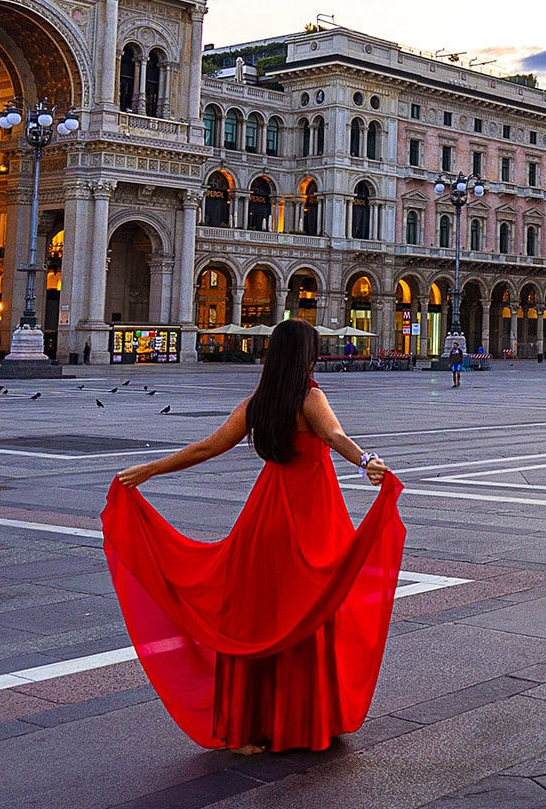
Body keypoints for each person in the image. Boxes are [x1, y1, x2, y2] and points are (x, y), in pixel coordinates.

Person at [101, 318, 405, 755]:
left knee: (257, 616)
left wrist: (151, 468)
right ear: (307, 354)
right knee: (309, 612)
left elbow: (207, 447)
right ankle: (304, 720)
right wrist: (367, 461)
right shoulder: (310, 397)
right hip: (311, 515)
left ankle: (244, 729)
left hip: (265, 517)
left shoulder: (256, 403)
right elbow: (335, 435)